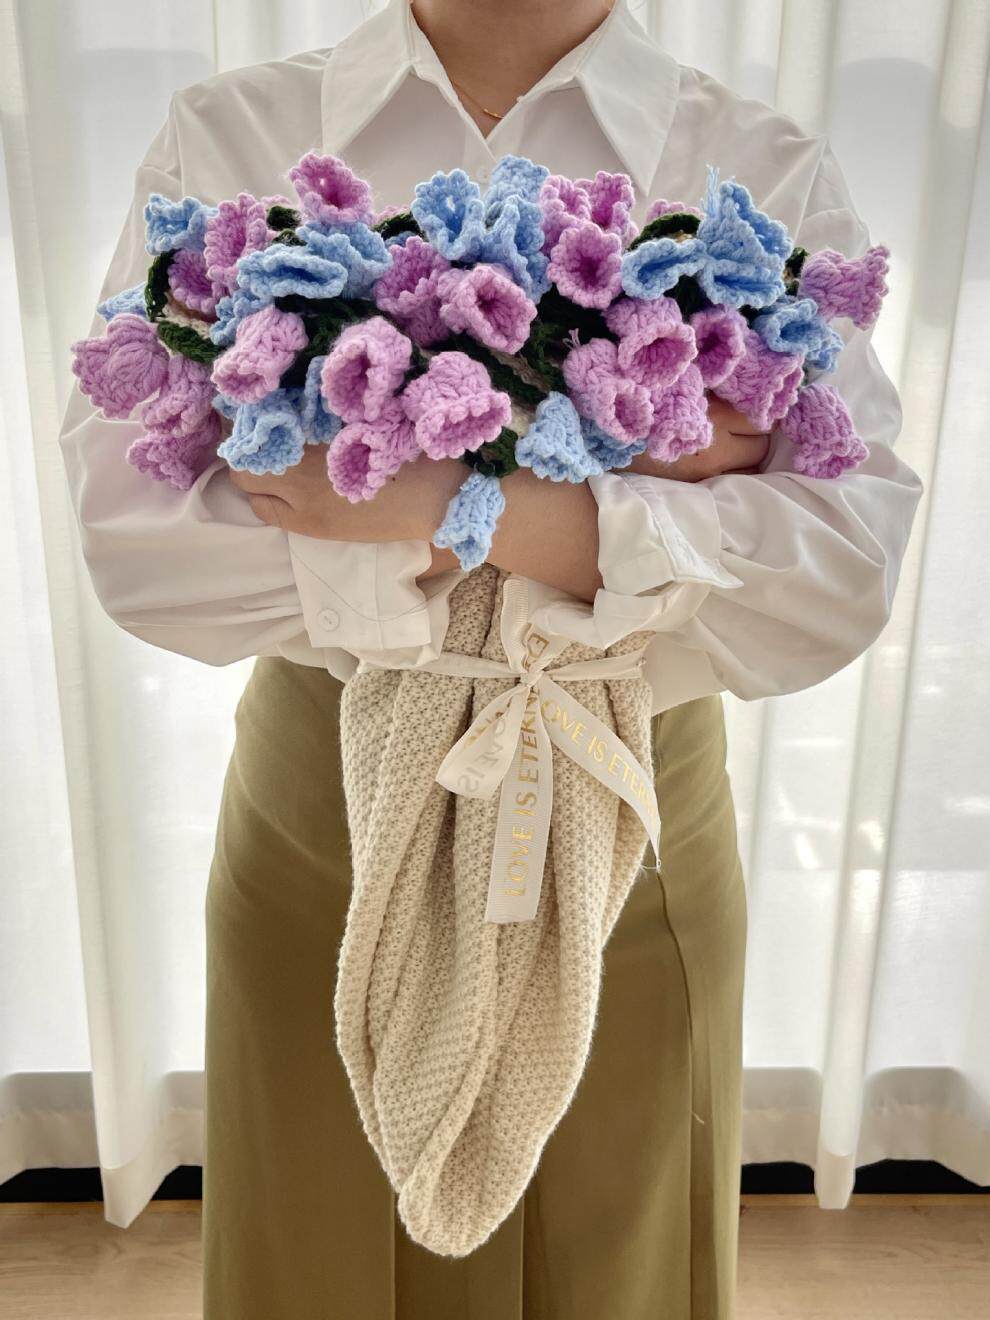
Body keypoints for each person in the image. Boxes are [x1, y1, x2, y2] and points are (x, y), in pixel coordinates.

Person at [56, 0, 924, 1315]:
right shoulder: (234, 135)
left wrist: (425, 502)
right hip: (321, 819)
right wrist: (641, 491)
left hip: (633, 813)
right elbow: (143, 545)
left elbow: (836, 570)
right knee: (321, 1264)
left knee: (617, 1268)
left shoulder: (758, 163)